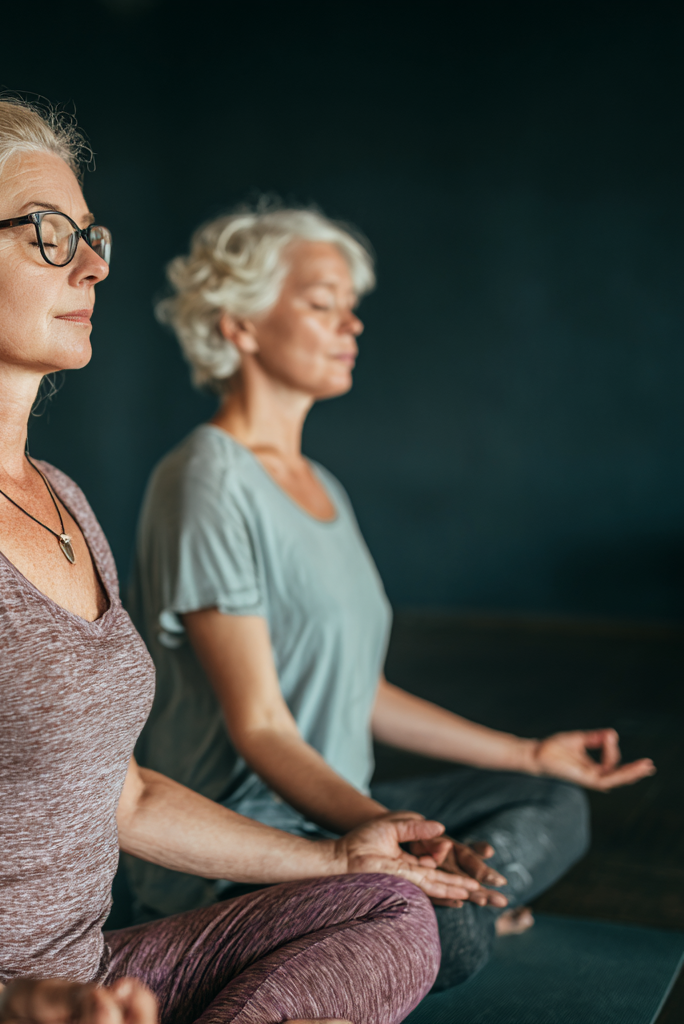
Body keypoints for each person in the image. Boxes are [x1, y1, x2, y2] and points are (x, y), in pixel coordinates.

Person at [0, 100, 476, 1024]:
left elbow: (123, 796)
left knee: (388, 907)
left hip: (86, 982)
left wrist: (337, 856)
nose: (92, 264)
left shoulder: (62, 500)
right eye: (47, 234)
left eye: (89, 235)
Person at [126, 204, 657, 991]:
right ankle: (451, 910)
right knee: (449, 932)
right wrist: (377, 834)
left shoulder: (322, 485)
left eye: (352, 306)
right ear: (239, 326)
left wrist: (527, 753)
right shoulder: (207, 477)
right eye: (323, 303)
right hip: (249, 849)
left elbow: (361, 691)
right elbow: (261, 725)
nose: (352, 325)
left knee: (551, 801)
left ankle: (444, 903)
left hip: (345, 813)